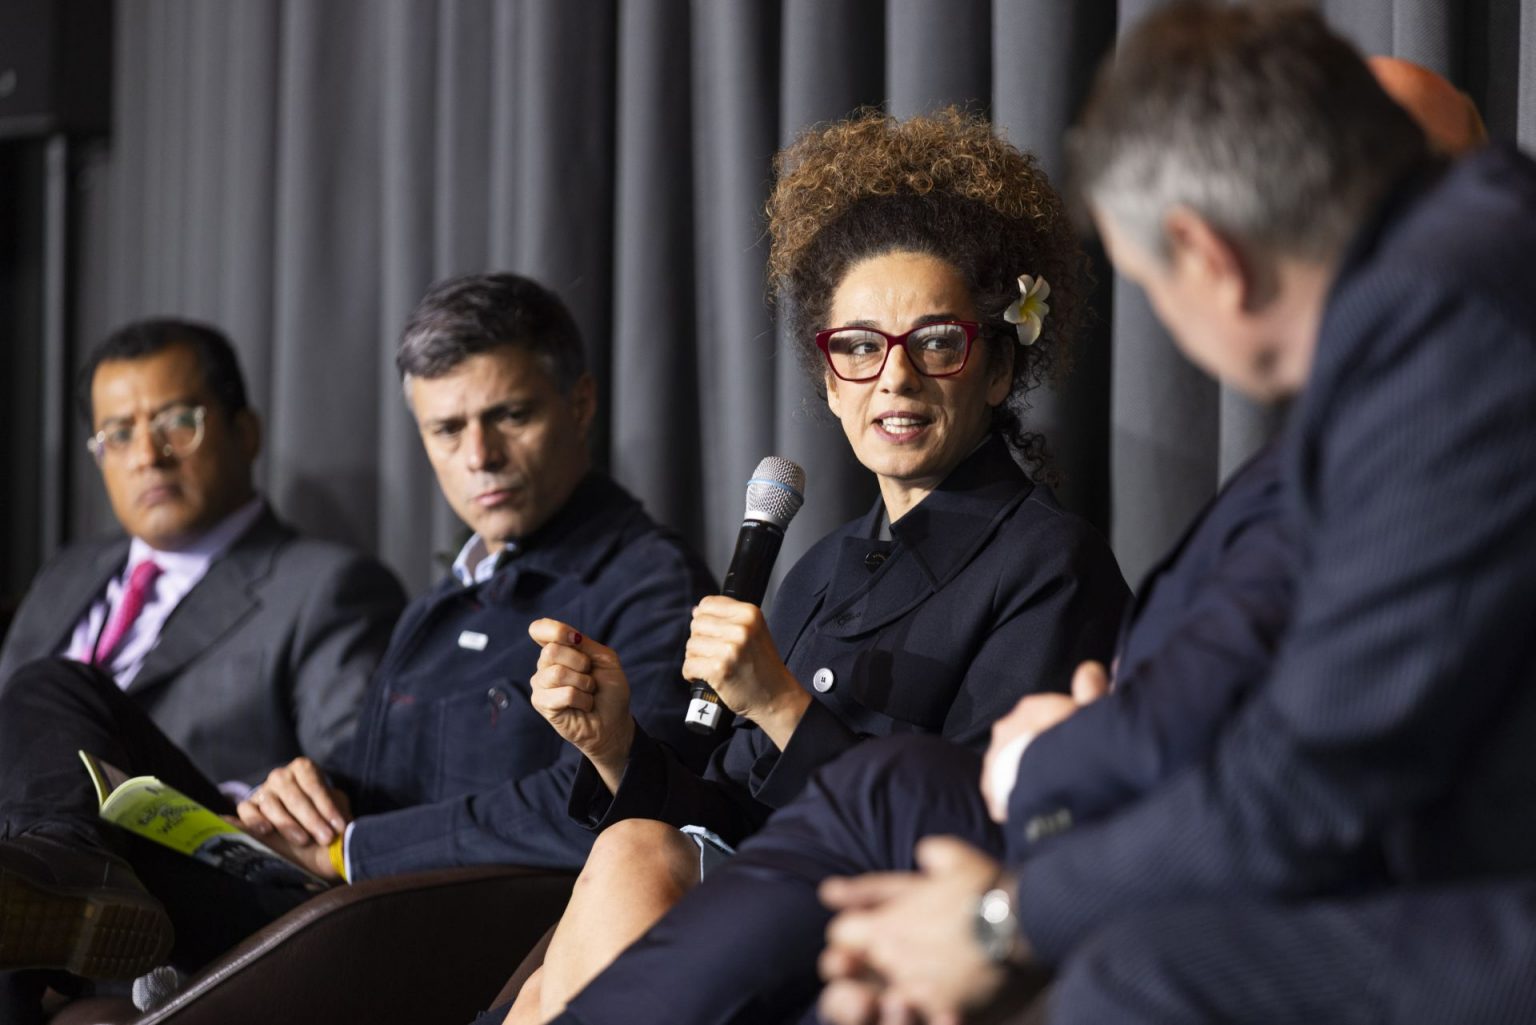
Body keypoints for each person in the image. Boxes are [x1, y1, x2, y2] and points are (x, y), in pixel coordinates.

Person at [816, 5, 1536, 1023]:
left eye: (1150, 284)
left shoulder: (1447, 341)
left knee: (1134, 977)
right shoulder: (1465, 264)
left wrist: (999, 918)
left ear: (1208, 255)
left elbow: (1312, 780)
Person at [498, 108, 1132, 1024]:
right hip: (745, 915)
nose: (896, 379)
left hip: (890, 952)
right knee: (623, 862)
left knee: (635, 860)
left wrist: (781, 704)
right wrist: (615, 743)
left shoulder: (1048, 563)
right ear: (831, 383)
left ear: (996, 369)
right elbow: (725, 803)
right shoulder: (821, 564)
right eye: (862, 347)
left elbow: (984, 835)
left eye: (937, 343)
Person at [0, 274, 716, 1023]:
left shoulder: (650, 584)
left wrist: (356, 848)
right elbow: (378, 779)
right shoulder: (451, 596)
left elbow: (626, 808)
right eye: (448, 429)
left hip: (426, 932)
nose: (480, 455)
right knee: (56, 690)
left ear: (580, 404)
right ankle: (55, 864)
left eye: (511, 415)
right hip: (324, 897)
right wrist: (306, 790)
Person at [0, 319, 405, 789]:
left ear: (245, 433)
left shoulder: (329, 588)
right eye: (120, 434)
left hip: (173, 846)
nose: (147, 456)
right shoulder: (66, 572)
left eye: (175, 422)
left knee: (56, 685)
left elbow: (351, 775)